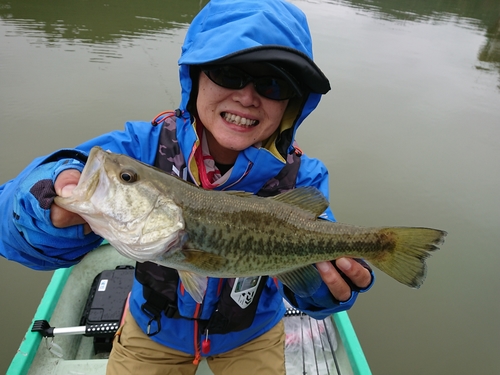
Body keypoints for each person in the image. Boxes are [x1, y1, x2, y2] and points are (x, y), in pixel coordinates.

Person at [0, 0, 374, 374]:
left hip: (252, 333)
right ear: (195, 78)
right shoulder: (141, 150)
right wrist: (44, 206)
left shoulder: (302, 176)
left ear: (293, 104)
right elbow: (11, 214)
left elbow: (317, 283)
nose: (247, 96)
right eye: (228, 73)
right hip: (153, 329)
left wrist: (322, 292)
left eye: (273, 84)